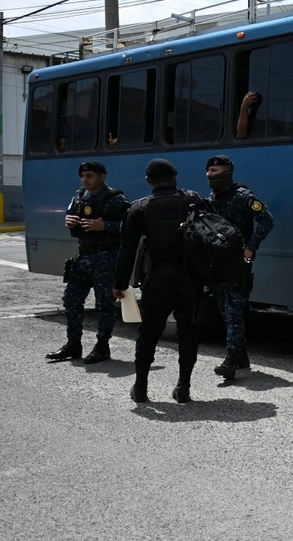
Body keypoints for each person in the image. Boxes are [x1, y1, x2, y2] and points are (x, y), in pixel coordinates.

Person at [112, 159, 204, 403]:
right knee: (188, 332)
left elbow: (127, 250)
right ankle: (183, 387)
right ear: (175, 178)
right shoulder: (192, 200)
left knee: (149, 333)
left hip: (158, 279)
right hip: (190, 279)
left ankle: (140, 388)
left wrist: (120, 284)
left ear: (148, 181)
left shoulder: (139, 208)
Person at [46, 161, 130, 365]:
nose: (85, 179)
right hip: (83, 257)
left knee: (104, 304)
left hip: (106, 258)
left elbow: (131, 227)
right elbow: (71, 215)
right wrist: (69, 221)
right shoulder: (79, 196)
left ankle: (102, 346)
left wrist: (105, 225)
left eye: (90, 176)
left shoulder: (116, 200)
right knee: (71, 300)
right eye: (83, 176)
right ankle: (73, 344)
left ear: (102, 177)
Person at [204, 155, 275, 381]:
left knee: (234, 310)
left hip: (237, 262)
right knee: (224, 309)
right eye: (209, 171)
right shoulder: (212, 199)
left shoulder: (243, 197)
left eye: (215, 171)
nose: (210, 175)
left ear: (227, 172)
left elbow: (267, 220)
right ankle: (241, 354)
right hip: (217, 261)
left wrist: (250, 248)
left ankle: (231, 360)